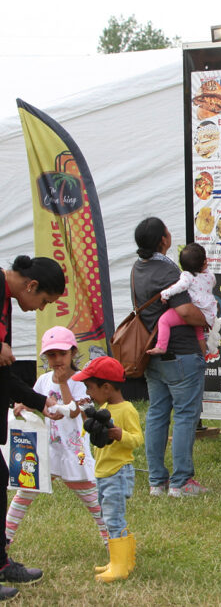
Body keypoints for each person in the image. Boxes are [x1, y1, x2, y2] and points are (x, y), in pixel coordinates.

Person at [5, 326, 109, 551]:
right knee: (24, 493)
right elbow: (36, 401)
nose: (57, 359)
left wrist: (63, 383)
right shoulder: (43, 380)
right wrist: (24, 405)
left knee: (91, 498)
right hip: (48, 451)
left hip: (75, 453)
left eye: (62, 354)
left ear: (72, 352)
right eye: (51, 355)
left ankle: (112, 540)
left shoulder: (82, 382)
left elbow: (74, 411)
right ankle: (5, 538)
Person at [131, 218, 208, 498]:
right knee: (186, 415)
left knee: (157, 414)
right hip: (182, 353)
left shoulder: (137, 269)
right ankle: (182, 482)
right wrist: (208, 319)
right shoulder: (168, 270)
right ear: (163, 239)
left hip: (153, 353)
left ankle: (156, 482)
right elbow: (186, 311)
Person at [0, 255, 63, 601]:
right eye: (44, 302)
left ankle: (1, 562)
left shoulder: (7, 299)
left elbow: (5, 375)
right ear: (32, 285)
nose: (41, 309)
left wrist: (41, 403)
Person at [72, 356, 142, 583]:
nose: (88, 392)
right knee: (108, 516)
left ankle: (120, 566)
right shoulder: (104, 407)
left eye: (90, 387)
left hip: (118, 472)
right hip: (103, 472)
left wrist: (121, 435)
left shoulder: (126, 409)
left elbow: (138, 439)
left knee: (113, 518)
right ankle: (122, 560)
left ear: (106, 387)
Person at [147, 243, 220, 359]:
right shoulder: (210, 276)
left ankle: (161, 346)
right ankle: (203, 355)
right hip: (207, 314)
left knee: (164, 320)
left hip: (194, 310)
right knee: (199, 334)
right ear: (205, 262)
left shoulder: (187, 276)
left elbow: (179, 287)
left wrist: (165, 294)